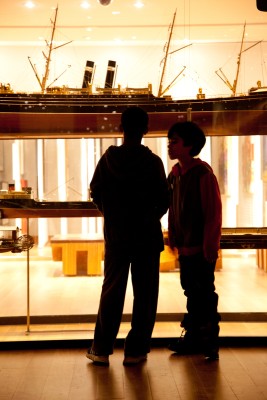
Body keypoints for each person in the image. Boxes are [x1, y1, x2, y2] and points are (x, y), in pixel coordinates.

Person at [86, 106, 169, 366]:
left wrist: (112, 215)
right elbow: (164, 199)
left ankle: (100, 350)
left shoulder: (108, 159)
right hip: (146, 236)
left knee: (111, 291)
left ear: (121, 128)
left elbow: (95, 192)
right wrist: (148, 217)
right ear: (146, 130)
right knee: (145, 294)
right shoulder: (153, 162)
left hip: (117, 236)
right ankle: (136, 351)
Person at [167, 121, 222, 360]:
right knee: (191, 292)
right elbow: (172, 208)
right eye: (170, 141)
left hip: (201, 247)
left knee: (205, 294)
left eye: (175, 141)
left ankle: (210, 341)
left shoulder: (203, 174)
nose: (170, 146)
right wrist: (172, 236)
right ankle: (193, 338)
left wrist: (210, 244)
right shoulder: (175, 174)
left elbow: (213, 213)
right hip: (186, 246)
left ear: (190, 145)